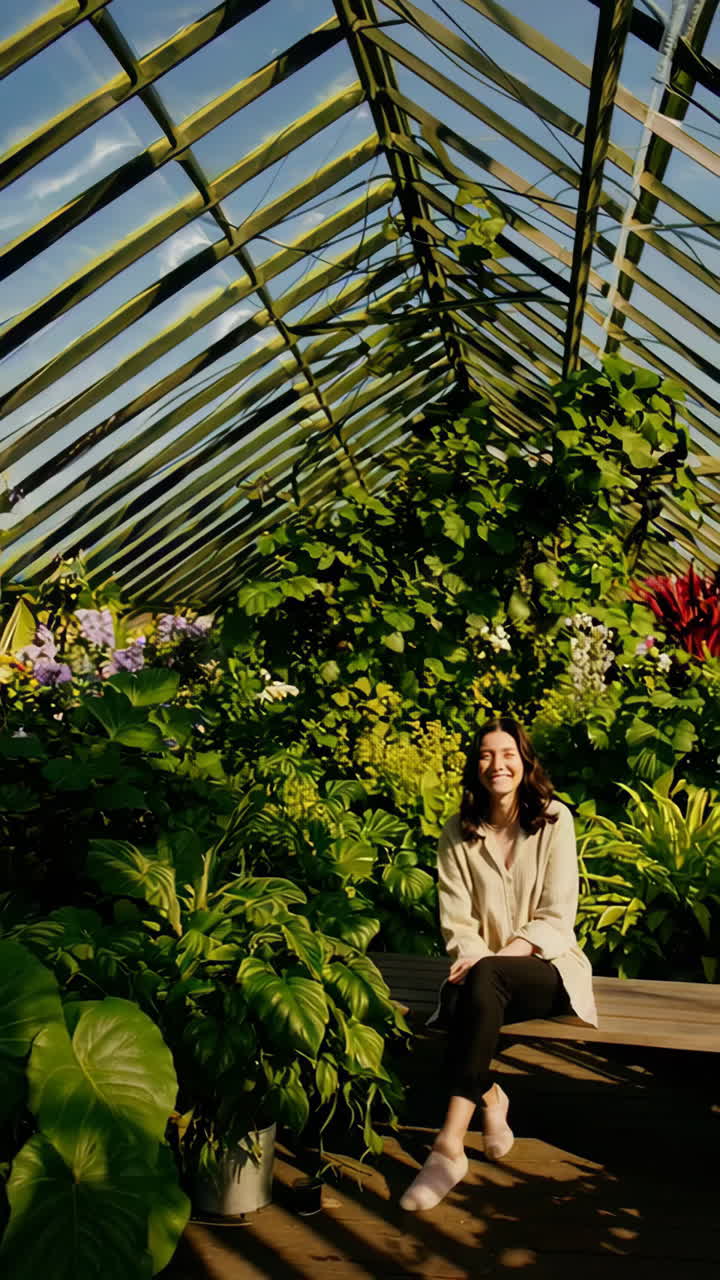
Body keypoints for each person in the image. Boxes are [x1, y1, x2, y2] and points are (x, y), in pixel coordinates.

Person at [400, 716, 598, 1212]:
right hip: (480, 973)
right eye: (487, 755)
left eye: (507, 753)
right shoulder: (457, 832)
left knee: (482, 980)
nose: (497, 764)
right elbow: (457, 922)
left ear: (524, 762)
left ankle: (447, 1147)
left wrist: (493, 957)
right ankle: (489, 1098)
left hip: (547, 968)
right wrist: (478, 956)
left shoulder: (555, 820)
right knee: (477, 987)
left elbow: (557, 917)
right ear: (476, 767)